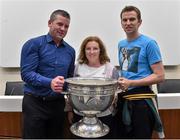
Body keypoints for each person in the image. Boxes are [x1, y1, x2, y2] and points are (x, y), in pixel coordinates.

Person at [20, 9, 75, 139]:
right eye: (59, 24)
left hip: (57, 105)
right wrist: (49, 82)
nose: (63, 28)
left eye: (66, 26)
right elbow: (26, 74)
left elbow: (69, 78)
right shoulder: (33, 44)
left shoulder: (70, 51)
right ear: (50, 23)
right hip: (35, 103)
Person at [115, 5, 165, 139]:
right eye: (124, 20)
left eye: (132, 19)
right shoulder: (121, 44)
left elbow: (160, 76)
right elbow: (127, 72)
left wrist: (131, 82)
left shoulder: (149, 43)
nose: (128, 23)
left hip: (142, 102)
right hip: (124, 100)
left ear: (140, 22)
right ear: (121, 23)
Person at [64, 36, 118, 138]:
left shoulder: (110, 69)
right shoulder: (77, 67)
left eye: (95, 48)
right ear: (84, 51)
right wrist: (70, 111)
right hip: (80, 115)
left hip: (104, 116)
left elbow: (115, 93)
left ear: (100, 50)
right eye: (88, 48)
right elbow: (69, 91)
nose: (91, 52)